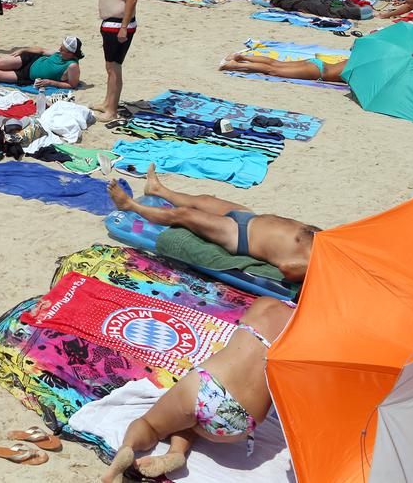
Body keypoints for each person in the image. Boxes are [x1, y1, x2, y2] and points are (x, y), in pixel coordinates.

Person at [99, 296, 294, 481]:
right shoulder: (306, 339)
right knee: (190, 421)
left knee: (152, 424)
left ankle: (127, 448)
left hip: (206, 385)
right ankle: (176, 452)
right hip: (241, 421)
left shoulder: (267, 303)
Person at [108, 165, 316, 281]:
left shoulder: (316, 263)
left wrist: (306, 268)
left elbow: (287, 269)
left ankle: (129, 206)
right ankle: (157, 190)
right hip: (251, 217)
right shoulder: (329, 240)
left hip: (239, 235)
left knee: (184, 215)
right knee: (204, 200)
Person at [97, 0, 142, 120]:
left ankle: (111, 111)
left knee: (114, 68)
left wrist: (123, 27)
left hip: (118, 24)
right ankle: (108, 102)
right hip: (116, 23)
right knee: (111, 67)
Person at [0, 36, 83, 89]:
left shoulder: (72, 66)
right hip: (31, 59)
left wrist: (50, 82)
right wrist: (24, 50)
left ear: (71, 54)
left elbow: (72, 85)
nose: (60, 49)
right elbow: (41, 50)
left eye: (63, 49)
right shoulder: (60, 53)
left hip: (27, 75)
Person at [220, 51, 346, 83]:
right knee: (274, 70)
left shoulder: (356, 60)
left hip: (319, 63)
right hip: (317, 72)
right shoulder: (360, 74)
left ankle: (241, 57)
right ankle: (234, 65)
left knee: (276, 63)